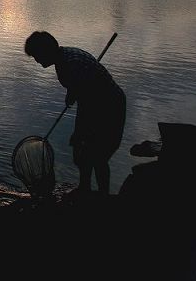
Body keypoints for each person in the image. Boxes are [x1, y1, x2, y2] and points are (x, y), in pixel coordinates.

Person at [24, 31, 126, 195]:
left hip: (110, 107)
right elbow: (79, 87)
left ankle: (103, 197)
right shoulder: (66, 57)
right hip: (98, 104)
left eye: (37, 55)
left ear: (46, 51)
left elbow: (88, 102)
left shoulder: (69, 64)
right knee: (84, 151)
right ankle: (85, 187)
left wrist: (79, 131)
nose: (36, 60)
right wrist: (71, 93)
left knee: (98, 156)